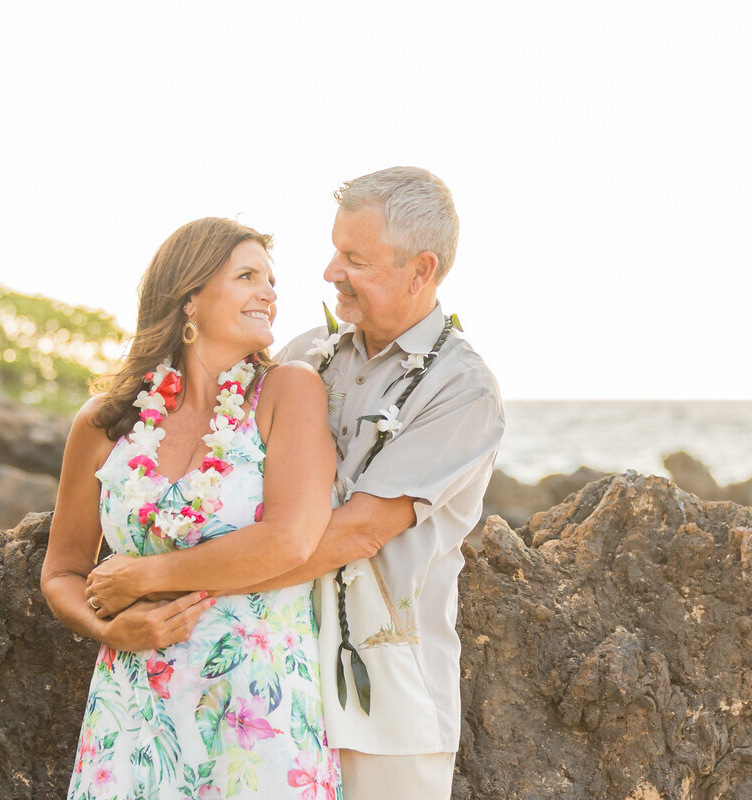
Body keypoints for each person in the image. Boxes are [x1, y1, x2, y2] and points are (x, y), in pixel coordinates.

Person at [92, 167, 505, 800]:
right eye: (336, 249)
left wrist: (153, 577)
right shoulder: (308, 352)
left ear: (420, 271)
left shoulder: (462, 390)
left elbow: (352, 534)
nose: (330, 271)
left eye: (354, 258)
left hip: (382, 698)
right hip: (274, 678)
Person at [41, 217, 343, 800]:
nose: (270, 293)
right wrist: (110, 627)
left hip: (258, 707)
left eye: (272, 281)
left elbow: (289, 540)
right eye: (248, 276)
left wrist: (146, 574)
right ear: (189, 299)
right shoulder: (106, 422)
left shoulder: (289, 391)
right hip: (133, 710)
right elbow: (61, 573)